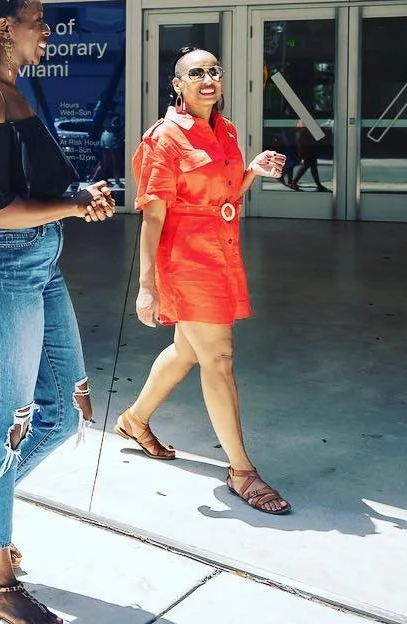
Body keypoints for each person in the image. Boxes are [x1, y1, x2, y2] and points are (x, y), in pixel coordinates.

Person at [0, 0, 115, 624]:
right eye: (38, 21)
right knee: (4, 420)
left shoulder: (10, 89)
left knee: (65, 411)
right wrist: (70, 203)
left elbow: (35, 185)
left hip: (38, 260)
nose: (48, 30)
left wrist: (78, 192)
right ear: (3, 28)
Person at [115, 46, 292, 515]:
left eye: (215, 71)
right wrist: (147, 286)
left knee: (188, 351)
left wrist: (252, 170)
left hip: (222, 253)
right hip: (185, 260)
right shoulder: (164, 139)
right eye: (196, 73)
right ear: (177, 84)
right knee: (219, 356)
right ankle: (241, 471)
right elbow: (152, 218)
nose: (208, 79)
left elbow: (226, 193)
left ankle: (134, 420)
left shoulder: (227, 130)